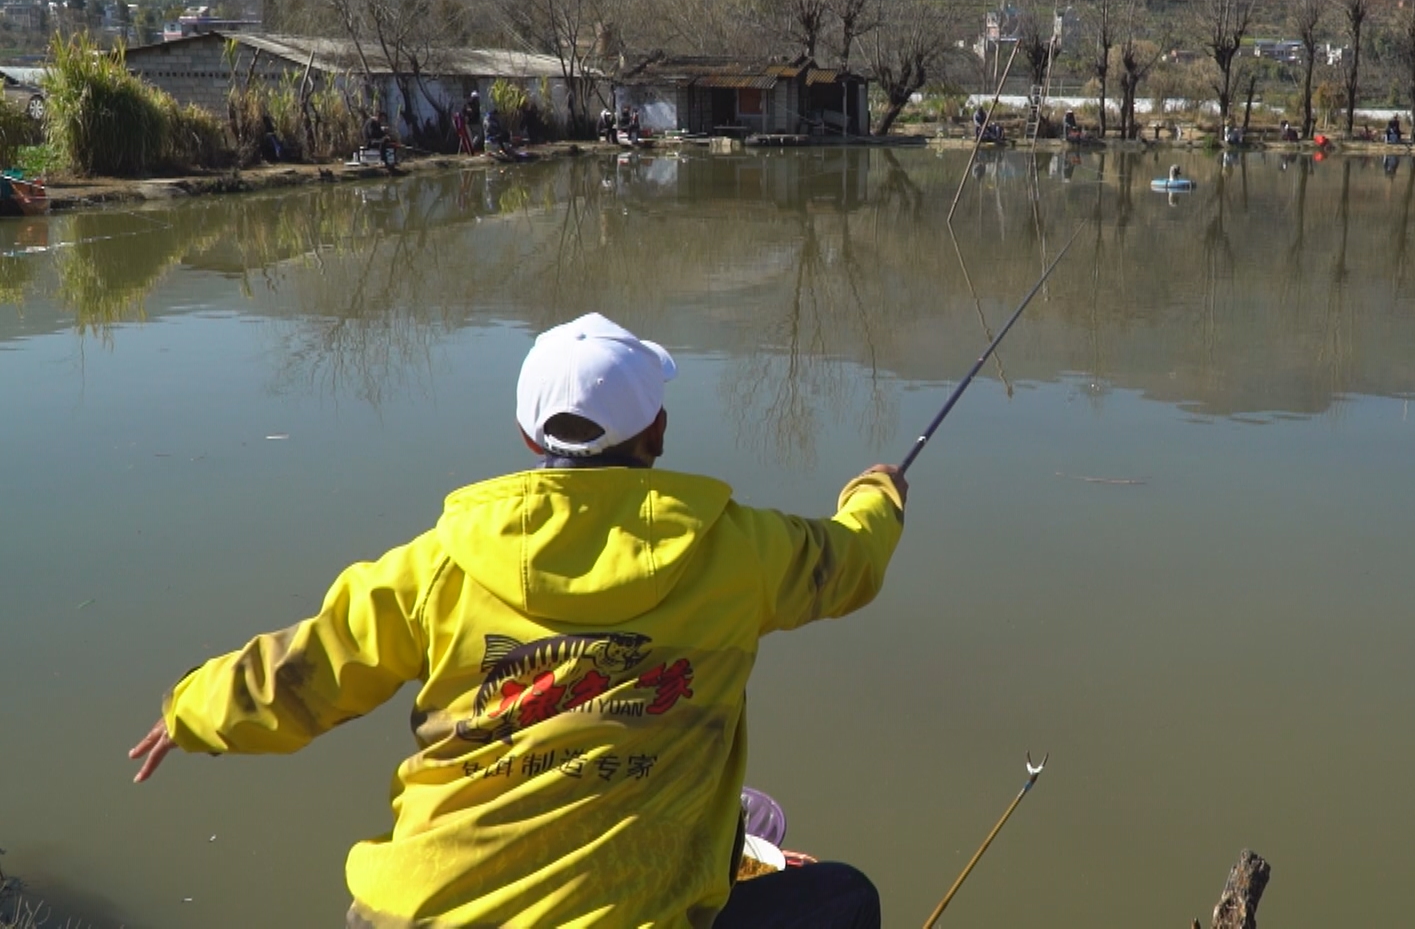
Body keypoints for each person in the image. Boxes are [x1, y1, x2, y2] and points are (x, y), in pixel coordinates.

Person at [127, 313, 907, 928]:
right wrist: (878, 493)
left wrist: (189, 709)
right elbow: (851, 561)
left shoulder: (438, 564)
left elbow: (308, 671)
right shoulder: (741, 553)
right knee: (843, 900)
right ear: (658, 433)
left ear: (529, 440)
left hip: (413, 913)